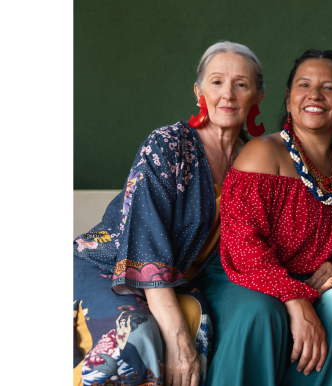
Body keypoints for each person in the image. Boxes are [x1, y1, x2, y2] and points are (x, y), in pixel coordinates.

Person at [73, 41, 266, 386]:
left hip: (177, 282)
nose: (228, 95)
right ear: (199, 91)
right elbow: (145, 248)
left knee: (201, 329)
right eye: (217, 82)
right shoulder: (167, 144)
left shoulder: (255, 161)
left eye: (241, 84)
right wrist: (177, 341)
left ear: (257, 96)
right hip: (106, 265)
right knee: (135, 336)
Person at [196, 49, 332, 386]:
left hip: (309, 280)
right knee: (262, 312)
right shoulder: (263, 152)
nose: (315, 95)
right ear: (289, 99)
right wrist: (293, 297)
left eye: (329, 87)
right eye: (304, 85)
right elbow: (243, 244)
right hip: (243, 273)